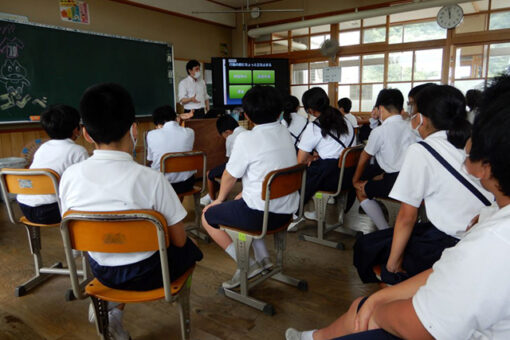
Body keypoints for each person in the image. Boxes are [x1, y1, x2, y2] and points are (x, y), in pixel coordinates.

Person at [286, 73, 510, 340]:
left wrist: (389, 278)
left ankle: (385, 284)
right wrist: (485, 215)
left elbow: (406, 216)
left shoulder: (491, 244)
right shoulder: (491, 214)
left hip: (441, 238)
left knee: (371, 248)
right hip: (412, 204)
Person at [59, 83, 202, 339]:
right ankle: (178, 307)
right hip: (152, 276)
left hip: (101, 272)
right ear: (134, 129)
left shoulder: (69, 177)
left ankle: (111, 309)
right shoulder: (153, 179)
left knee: (114, 249)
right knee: (190, 248)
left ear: (86, 134)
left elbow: (73, 235)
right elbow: (179, 240)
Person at [353, 84, 493, 285]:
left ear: (422, 117)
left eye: (412, 108)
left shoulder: (422, 150)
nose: (409, 114)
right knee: (380, 241)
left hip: (453, 242)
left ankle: (393, 291)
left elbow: (407, 217)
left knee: (367, 248)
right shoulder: (468, 140)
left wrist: (393, 265)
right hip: (481, 231)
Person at [201, 85, 298, 289]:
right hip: (287, 212)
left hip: (261, 217)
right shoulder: (284, 131)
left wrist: (217, 201)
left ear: (246, 115)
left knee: (207, 216)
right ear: (279, 110)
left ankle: (248, 265)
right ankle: (264, 260)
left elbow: (228, 175)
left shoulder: (246, 138)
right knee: (242, 200)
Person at [352, 89, 418, 231]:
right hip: (413, 179)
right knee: (374, 178)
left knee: (361, 190)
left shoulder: (380, 131)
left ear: (380, 108)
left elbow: (365, 156)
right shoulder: (412, 126)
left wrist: (355, 180)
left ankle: (384, 229)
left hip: (395, 183)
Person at [290, 87, 355, 225]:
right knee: (314, 168)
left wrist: (308, 159)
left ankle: (295, 213)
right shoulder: (345, 121)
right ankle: (313, 212)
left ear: (310, 110)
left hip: (332, 178)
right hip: (349, 175)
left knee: (298, 175)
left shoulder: (314, 127)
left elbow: (300, 161)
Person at [16, 104, 88, 224]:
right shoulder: (78, 151)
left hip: (25, 207)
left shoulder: (43, 147)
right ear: (76, 129)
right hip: (50, 210)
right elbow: (85, 182)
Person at [146, 105, 195, 195]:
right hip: (186, 184)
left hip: (162, 185)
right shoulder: (190, 132)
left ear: (158, 125)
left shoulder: (151, 135)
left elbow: (150, 159)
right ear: (176, 118)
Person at [200, 114, 246, 206]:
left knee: (210, 174)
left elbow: (230, 163)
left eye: (222, 135)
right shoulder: (245, 131)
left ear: (227, 132)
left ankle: (213, 199)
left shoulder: (230, 138)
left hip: (238, 168)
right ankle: (210, 195)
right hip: (248, 166)